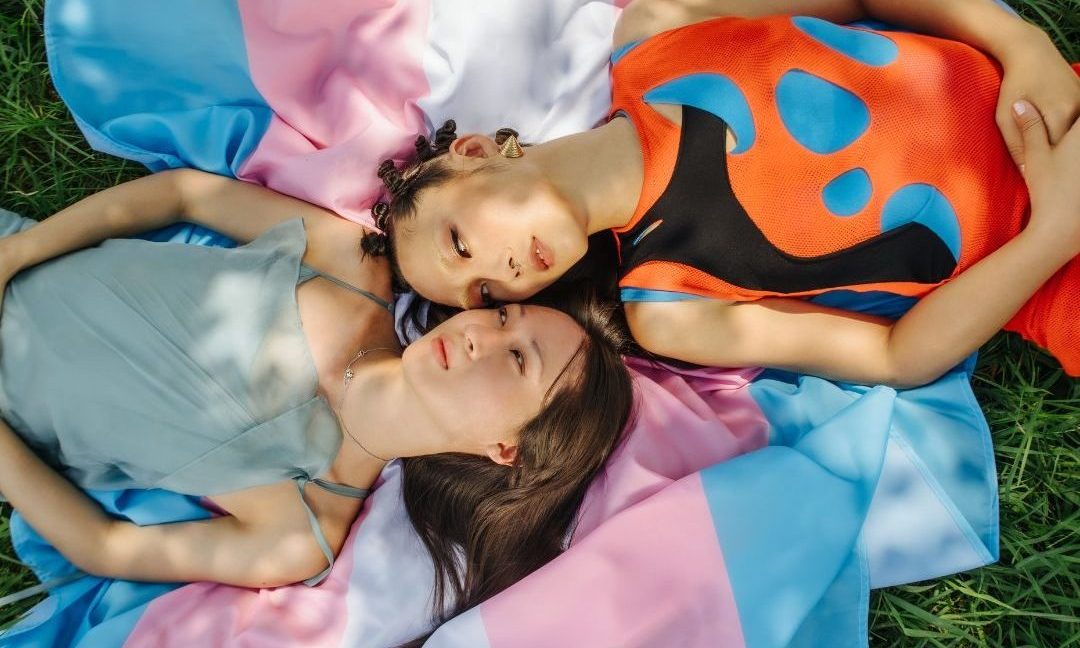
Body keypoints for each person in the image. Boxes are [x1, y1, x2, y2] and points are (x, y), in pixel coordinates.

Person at [0, 170, 634, 621]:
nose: (479, 335)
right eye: (500, 316)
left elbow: (102, 546)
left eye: (518, 359)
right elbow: (185, 194)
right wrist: (17, 254)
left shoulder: (302, 530)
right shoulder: (354, 269)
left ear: (507, 449)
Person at [364, 0, 1080, 387]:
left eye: (460, 243)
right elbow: (897, 357)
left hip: (1049, 99)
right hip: (1055, 273)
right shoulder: (669, 312)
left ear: (475, 153)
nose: (502, 274)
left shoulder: (658, 29)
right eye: (484, 294)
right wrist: (1055, 230)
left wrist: (1022, 46)